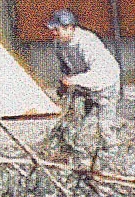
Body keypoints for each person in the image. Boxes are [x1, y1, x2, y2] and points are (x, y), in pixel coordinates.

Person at [45, 9, 121, 165]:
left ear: (70, 28)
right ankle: (75, 151)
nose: (54, 33)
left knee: (105, 124)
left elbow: (100, 72)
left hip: (105, 83)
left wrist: (74, 80)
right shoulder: (59, 44)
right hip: (82, 82)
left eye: (57, 29)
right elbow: (65, 68)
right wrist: (64, 84)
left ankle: (112, 155)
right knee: (74, 118)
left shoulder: (87, 42)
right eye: (53, 29)